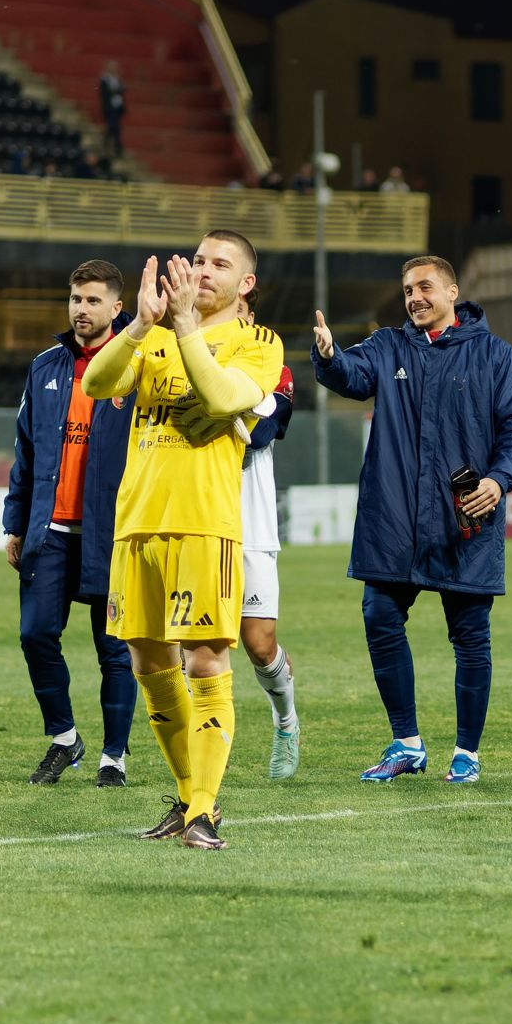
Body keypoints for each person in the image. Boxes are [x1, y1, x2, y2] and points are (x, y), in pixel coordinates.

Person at [83, 233, 285, 850]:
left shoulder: (260, 343)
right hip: (136, 521)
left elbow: (226, 397)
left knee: (203, 660)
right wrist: (142, 324)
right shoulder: (158, 334)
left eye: (220, 264)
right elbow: (96, 383)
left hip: (204, 524)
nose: (203, 270)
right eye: (198, 260)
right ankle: (188, 797)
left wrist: (189, 328)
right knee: (148, 663)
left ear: (245, 283)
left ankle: (203, 807)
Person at [313, 255, 512, 785]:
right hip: (393, 521)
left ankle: (467, 752)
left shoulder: (495, 355)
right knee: (379, 619)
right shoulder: (388, 345)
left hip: (465, 520)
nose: (414, 297)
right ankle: (406, 742)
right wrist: (328, 355)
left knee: (471, 637)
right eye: (408, 289)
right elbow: (351, 374)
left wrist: (497, 480)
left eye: (425, 287)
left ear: (453, 291)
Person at [2, 260, 138, 787]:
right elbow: (27, 451)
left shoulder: (140, 363)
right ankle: (64, 738)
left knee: (115, 650)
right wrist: (16, 522)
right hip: (50, 532)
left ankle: (114, 757)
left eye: (93, 301)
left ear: (116, 308)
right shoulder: (45, 367)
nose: (82, 309)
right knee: (35, 634)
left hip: (114, 534)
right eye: (76, 299)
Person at [228, 287, 301, 778]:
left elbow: (260, 434)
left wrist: (211, 407)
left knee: (258, 644)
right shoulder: (185, 355)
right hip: (194, 517)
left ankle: (286, 720)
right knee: (194, 646)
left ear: (249, 314)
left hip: (249, 520)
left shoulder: (270, 362)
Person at [99, 61, 125, 156]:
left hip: (117, 107)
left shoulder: (117, 78)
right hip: (110, 108)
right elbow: (106, 93)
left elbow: (121, 89)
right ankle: (114, 146)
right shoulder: (105, 79)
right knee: (113, 127)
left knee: (115, 128)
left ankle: (113, 146)